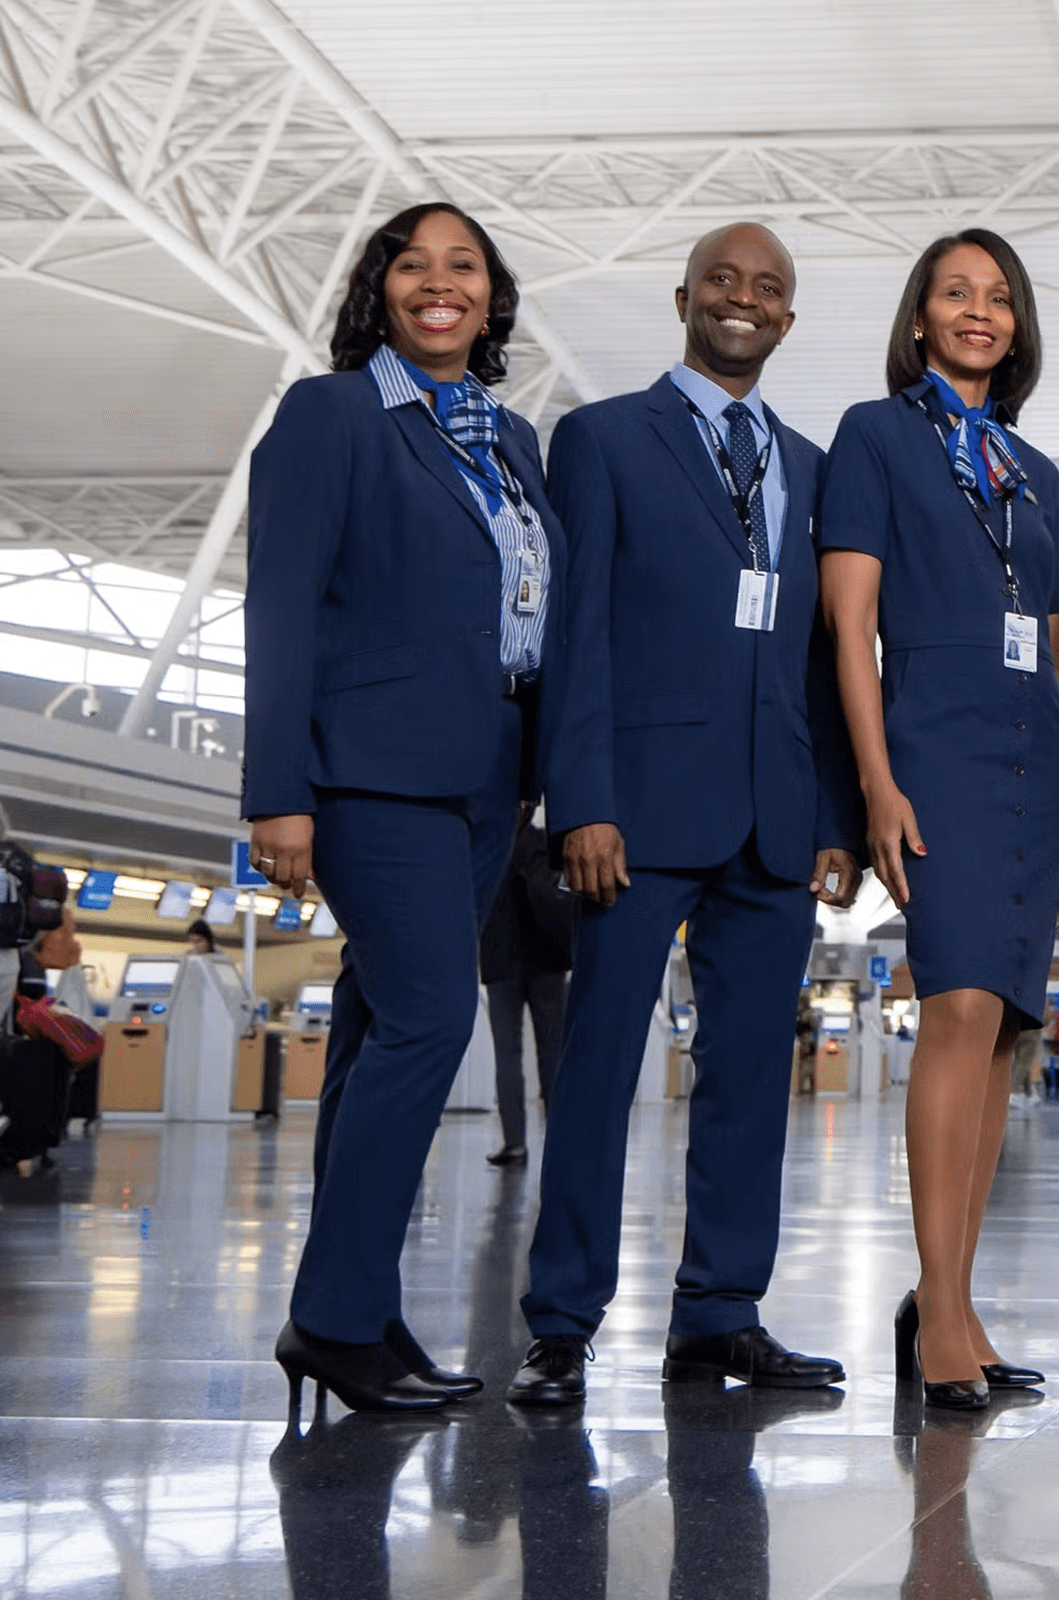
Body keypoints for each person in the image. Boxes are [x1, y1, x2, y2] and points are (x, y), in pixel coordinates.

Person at [509, 223, 861, 1406]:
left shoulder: (810, 466)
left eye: (767, 289)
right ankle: (560, 1322)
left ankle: (719, 1312)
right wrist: (583, 801)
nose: (743, 300)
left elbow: (822, 652)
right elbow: (578, 634)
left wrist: (833, 816)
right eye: (723, 281)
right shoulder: (604, 439)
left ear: (790, 319)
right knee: (600, 1069)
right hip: (636, 817)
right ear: (683, 298)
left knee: (752, 1074)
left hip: (774, 818)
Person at [245, 200, 561, 1414]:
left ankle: (358, 1306)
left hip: (489, 772)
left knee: (381, 1031)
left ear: (491, 296)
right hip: (373, 769)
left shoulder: (510, 438)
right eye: (412, 265)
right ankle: (330, 1318)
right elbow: (278, 603)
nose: (440, 284)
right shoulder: (331, 416)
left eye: (463, 266)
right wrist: (280, 792)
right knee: (432, 1021)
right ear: (380, 288)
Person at [820, 228, 1059, 1411]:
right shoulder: (874, 436)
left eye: (998, 297)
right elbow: (850, 625)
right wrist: (877, 783)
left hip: (1039, 755)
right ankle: (935, 1312)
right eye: (954, 294)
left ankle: (961, 1301)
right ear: (920, 317)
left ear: (1019, 324)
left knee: (1004, 1033)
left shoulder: (1032, 470)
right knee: (958, 1007)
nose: (978, 312)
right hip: (936, 745)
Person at [477, 819, 574, 1168]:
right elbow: (558, 893)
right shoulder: (541, 843)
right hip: (545, 959)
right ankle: (559, 1141)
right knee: (552, 1055)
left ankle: (515, 1144)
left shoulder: (487, 839)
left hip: (500, 961)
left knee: (508, 1055)